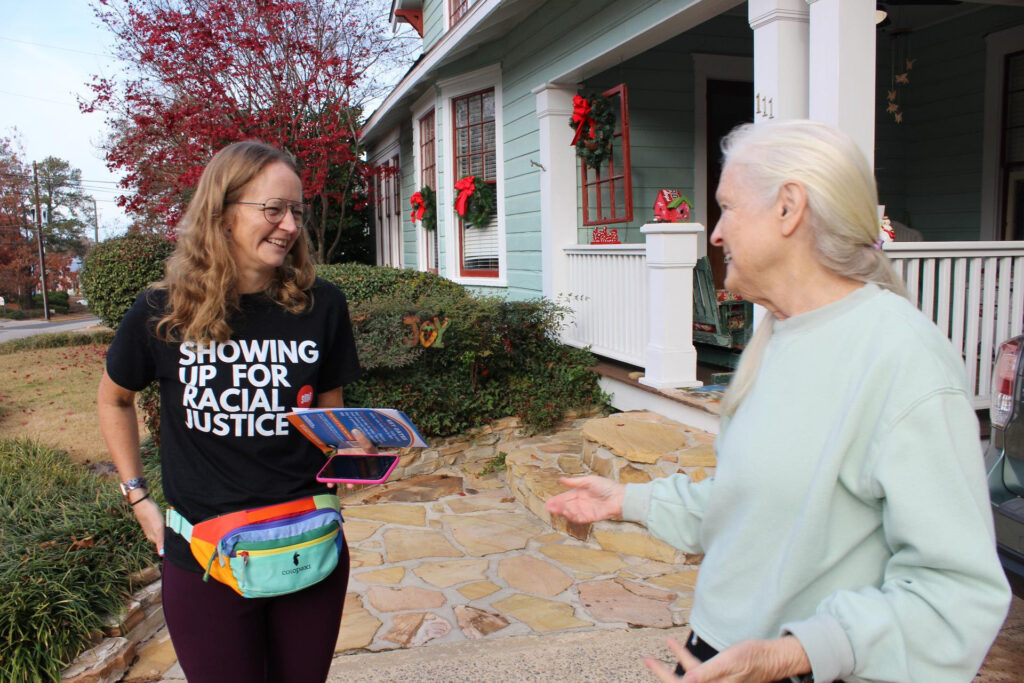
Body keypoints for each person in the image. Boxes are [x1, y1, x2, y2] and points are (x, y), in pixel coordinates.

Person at [546, 120, 1011, 683]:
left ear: (789, 208)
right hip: (719, 651)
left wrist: (789, 654)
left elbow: (956, 592)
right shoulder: (779, 335)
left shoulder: (902, 358)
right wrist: (628, 499)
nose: (715, 235)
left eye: (728, 207)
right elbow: (756, 502)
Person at [97, 140, 367, 682]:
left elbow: (331, 419)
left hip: (306, 544)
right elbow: (114, 398)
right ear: (220, 213)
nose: (290, 225)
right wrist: (139, 498)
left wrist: (353, 450)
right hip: (204, 559)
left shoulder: (323, 305)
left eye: (297, 211)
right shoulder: (162, 312)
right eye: (273, 209)